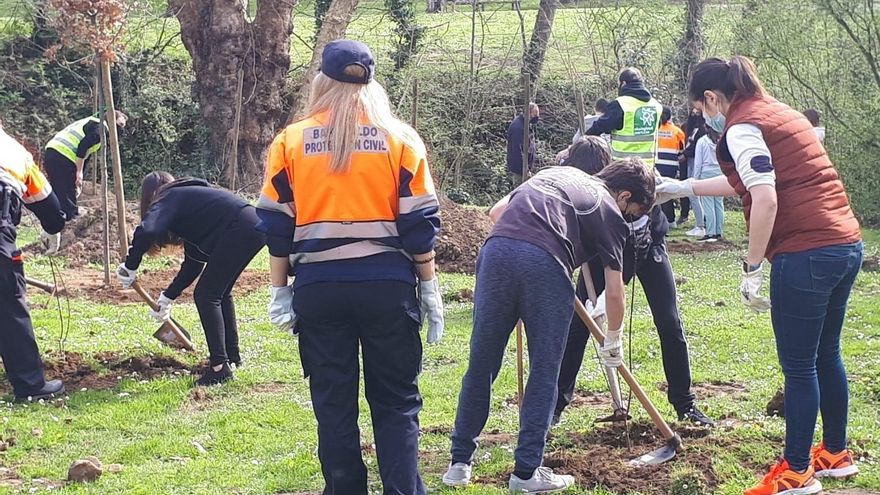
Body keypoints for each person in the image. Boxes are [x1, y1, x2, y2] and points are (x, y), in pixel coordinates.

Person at [656, 55, 863, 495]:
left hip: (806, 252)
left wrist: (751, 267)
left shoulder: (742, 127)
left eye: (700, 108)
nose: (702, 116)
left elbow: (764, 198)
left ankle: (796, 471)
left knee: (799, 365)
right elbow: (747, 182)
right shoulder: (778, 111)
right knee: (827, 354)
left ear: (712, 98)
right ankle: (835, 454)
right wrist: (684, 187)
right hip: (844, 243)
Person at [256, 40, 443, 495]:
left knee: (333, 404)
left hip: (320, 288)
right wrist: (430, 287)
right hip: (387, 286)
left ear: (321, 81)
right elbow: (419, 224)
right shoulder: (400, 139)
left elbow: (276, 226)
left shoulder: (291, 141)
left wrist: (280, 289)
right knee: (396, 403)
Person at [442, 158, 656, 493]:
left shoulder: (557, 173)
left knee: (482, 362)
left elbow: (497, 213)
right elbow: (615, 291)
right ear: (625, 196)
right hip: (545, 262)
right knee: (545, 370)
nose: (628, 219)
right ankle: (526, 472)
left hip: (496, 253)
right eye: (633, 213)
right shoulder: (610, 211)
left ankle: (458, 464)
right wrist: (613, 340)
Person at [553, 137, 714, 428]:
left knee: (669, 321)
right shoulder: (576, 178)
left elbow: (667, 193)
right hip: (600, 252)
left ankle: (685, 403)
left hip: (648, 247)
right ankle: (554, 408)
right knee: (579, 326)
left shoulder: (638, 180)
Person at [116, 172, 265, 386]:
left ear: (150, 199)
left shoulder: (168, 196)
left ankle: (219, 368)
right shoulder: (190, 203)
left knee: (206, 295)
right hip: (253, 223)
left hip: (241, 227)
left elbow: (148, 228)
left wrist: (130, 265)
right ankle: (232, 358)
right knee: (220, 293)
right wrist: (167, 298)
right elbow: (193, 264)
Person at [0, 121, 67, 401]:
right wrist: (53, 228)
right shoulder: (14, 152)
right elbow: (48, 205)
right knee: (8, 306)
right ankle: (30, 384)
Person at [43, 111, 127, 225]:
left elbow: (85, 156)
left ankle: (56, 221)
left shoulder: (93, 123)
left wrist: (79, 176)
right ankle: (71, 220)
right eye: (120, 124)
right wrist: (78, 172)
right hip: (62, 155)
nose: (121, 129)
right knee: (66, 190)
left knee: (60, 189)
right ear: (111, 120)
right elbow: (82, 147)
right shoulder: (100, 129)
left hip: (52, 152)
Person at [585, 67, 663, 166]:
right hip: (648, 168)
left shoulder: (620, 104)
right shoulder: (656, 105)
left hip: (622, 168)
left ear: (624, 83)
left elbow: (600, 126)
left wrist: (583, 141)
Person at [693, 126, 724, 242]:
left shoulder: (702, 141)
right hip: (720, 173)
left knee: (708, 204)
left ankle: (711, 232)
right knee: (719, 204)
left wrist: (695, 178)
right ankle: (719, 231)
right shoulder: (721, 141)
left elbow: (698, 162)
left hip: (706, 173)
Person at [656, 106, 686, 224]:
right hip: (671, 166)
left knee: (657, 192)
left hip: (656, 165)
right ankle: (670, 220)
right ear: (670, 116)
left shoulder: (655, 129)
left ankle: (659, 220)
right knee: (668, 192)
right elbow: (681, 151)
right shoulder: (677, 131)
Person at [681, 108, 707, 236]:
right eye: (693, 111)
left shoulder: (703, 131)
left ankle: (701, 225)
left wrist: (685, 154)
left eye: (698, 111)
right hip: (690, 162)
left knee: (694, 193)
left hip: (698, 163)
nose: (694, 114)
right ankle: (701, 224)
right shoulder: (691, 128)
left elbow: (695, 148)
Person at [507, 102, 539, 183]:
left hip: (525, 168)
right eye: (535, 115)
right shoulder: (518, 127)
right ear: (529, 113)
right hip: (520, 171)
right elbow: (517, 151)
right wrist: (525, 170)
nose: (537, 117)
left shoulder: (526, 124)